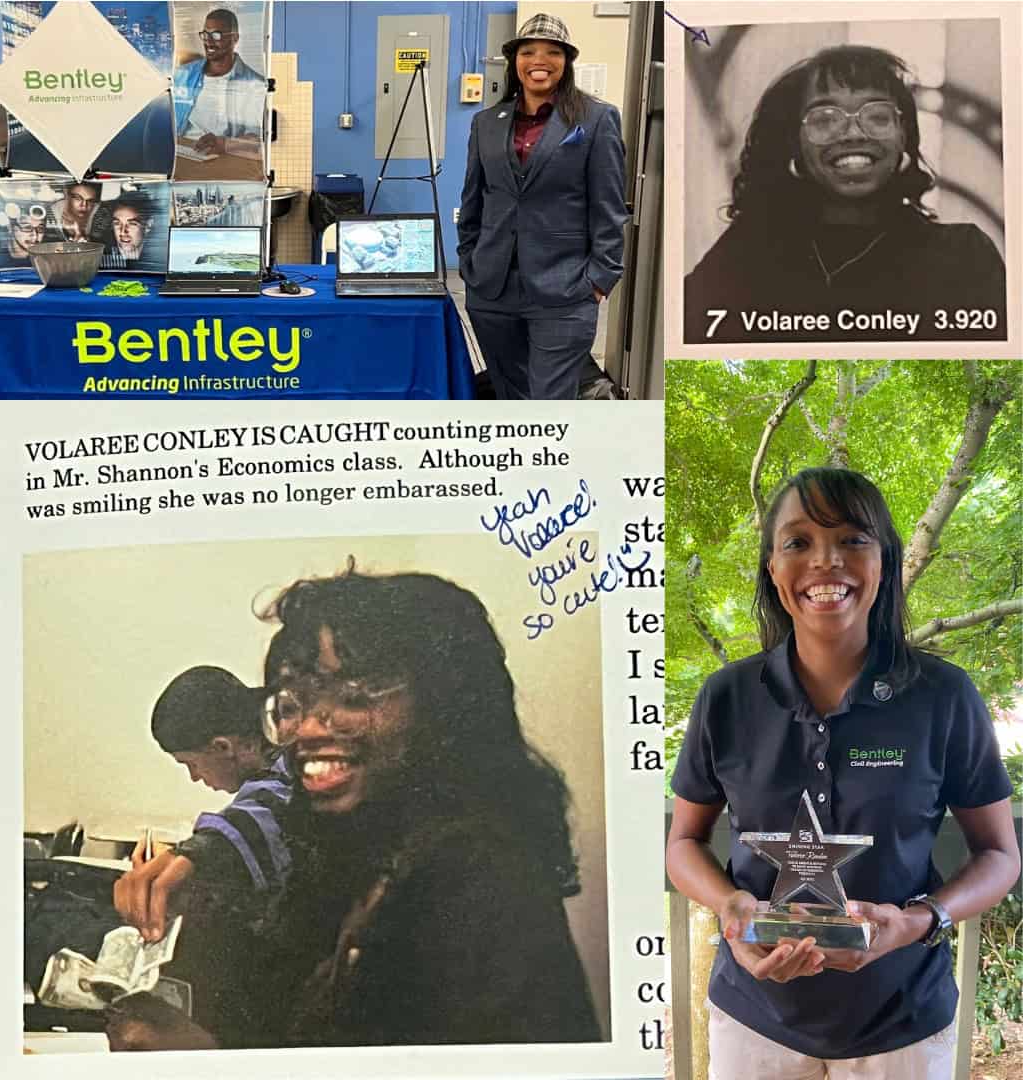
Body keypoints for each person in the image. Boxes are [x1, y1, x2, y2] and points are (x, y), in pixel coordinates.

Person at [113, 568, 599, 1049]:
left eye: (351, 695)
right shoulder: (356, 858)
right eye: (292, 702)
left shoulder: (481, 881)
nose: (304, 729)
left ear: (446, 707)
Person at [667, 468, 1018, 1078]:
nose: (825, 562)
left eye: (853, 539)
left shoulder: (943, 694)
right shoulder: (725, 697)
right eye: (798, 542)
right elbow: (682, 843)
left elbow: (1000, 856)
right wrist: (731, 908)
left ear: (883, 559)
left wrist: (917, 920)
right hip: (755, 1022)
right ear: (772, 568)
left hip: (903, 1022)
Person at [682, 46, 1008, 343]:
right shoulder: (745, 256)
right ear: (793, 143)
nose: (853, 133)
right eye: (825, 119)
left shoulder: (964, 259)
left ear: (903, 135)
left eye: (877, 116)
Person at [456, 13, 628, 401]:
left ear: (567, 62)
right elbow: (473, 200)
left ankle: (552, 461)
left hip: (565, 288)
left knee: (551, 402)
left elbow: (609, 206)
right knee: (509, 392)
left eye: (553, 52)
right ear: (514, 60)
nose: (540, 60)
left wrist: (600, 279)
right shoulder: (487, 122)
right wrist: (470, 262)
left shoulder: (596, 119)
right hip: (492, 288)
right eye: (528, 51)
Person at [114, 665, 293, 933]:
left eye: (191, 763)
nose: (194, 777)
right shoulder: (271, 763)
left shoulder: (294, 765)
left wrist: (195, 854)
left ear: (222, 747)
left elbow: (271, 811)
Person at [172, 8, 265, 162]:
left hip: (223, 161)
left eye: (216, 35)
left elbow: (256, 140)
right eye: (205, 34)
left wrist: (224, 144)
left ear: (234, 38)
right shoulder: (184, 74)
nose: (208, 41)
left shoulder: (254, 84)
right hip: (182, 156)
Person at [98, 197, 152, 267]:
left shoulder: (159, 255)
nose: (123, 232)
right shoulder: (99, 256)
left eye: (132, 224)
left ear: (148, 225)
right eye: (117, 223)